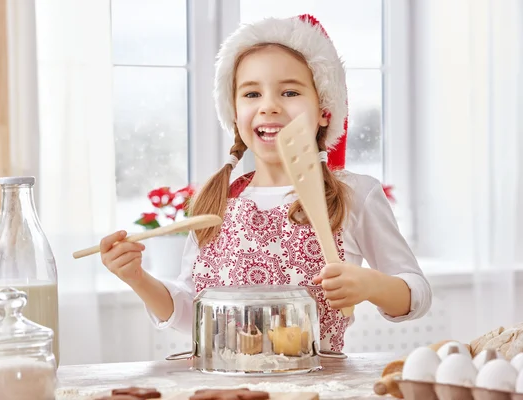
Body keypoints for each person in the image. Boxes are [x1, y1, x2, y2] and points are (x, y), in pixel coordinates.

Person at [100, 14, 432, 352]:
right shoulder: (215, 202)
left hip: (318, 386)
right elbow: (192, 315)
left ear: (324, 110)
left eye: (289, 92)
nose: (269, 106)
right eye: (251, 94)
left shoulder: (354, 195)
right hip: (227, 386)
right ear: (233, 113)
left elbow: (416, 294)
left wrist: (373, 285)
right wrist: (136, 278)